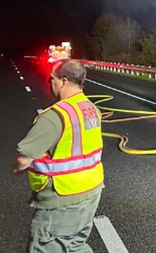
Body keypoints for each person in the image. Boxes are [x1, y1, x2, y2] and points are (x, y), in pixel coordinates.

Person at [10, 59, 104, 252]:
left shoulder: (55, 116)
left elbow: (23, 158)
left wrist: (16, 166)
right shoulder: (91, 109)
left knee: (45, 246)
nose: (48, 83)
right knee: (76, 245)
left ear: (63, 81)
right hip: (91, 192)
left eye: (50, 79)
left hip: (63, 198)